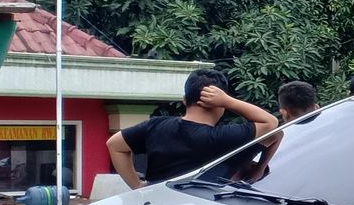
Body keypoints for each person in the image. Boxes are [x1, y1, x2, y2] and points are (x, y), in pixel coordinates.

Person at [107, 69, 279, 189]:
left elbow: (114, 144)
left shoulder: (156, 125)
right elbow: (271, 125)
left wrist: (137, 185)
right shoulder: (225, 137)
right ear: (219, 104)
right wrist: (228, 101)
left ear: (184, 100)